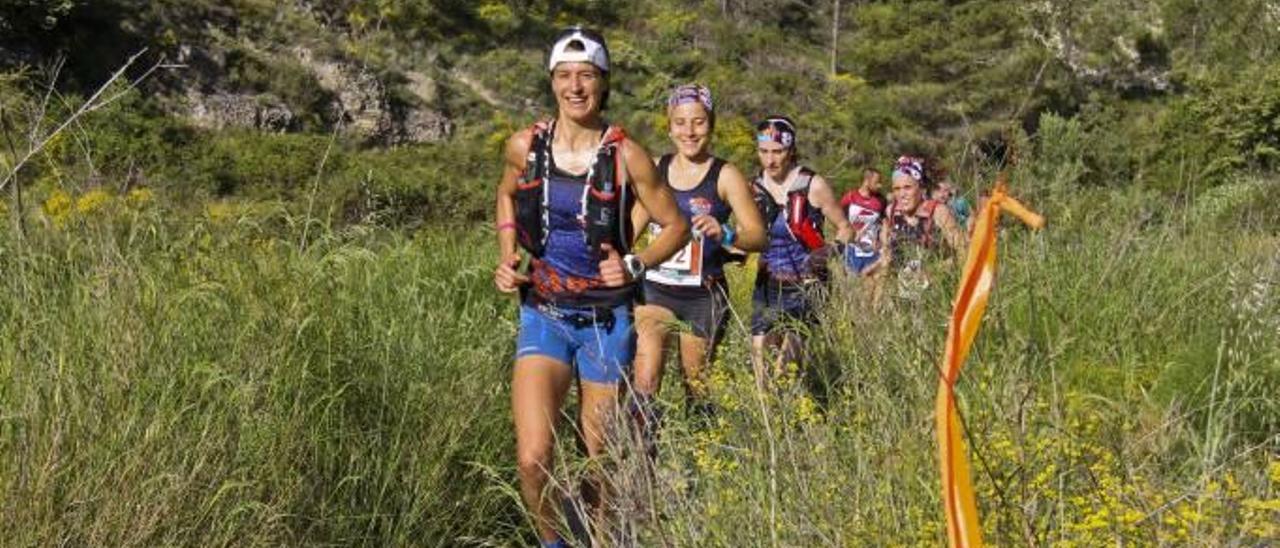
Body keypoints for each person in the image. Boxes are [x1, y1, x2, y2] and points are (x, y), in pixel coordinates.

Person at [492, 27, 689, 548]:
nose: (575, 86)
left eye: (586, 76)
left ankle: (605, 539)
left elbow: (675, 225)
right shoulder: (524, 145)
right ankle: (553, 542)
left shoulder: (628, 156)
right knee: (534, 458)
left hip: (606, 321)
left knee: (600, 457)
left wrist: (636, 264)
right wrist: (507, 255)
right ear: (551, 81)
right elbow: (507, 196)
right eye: (564, 76)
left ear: (603, 83)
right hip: (545, 313)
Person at [630, 84, 766, 444]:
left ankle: (698, 460)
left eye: (698, 122)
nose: (689, 132)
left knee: (696, 384)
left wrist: (726, 235)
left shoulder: (725, 175)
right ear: (669, 126)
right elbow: (632, 225)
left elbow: (757, 235)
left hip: (702, 295)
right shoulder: (656, 168)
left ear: (711, 124)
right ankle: (643, 465)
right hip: (655, 290)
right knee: (646, 374)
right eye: (680, 123)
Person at [749, 116, 852, 389]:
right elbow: (745, 235)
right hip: (768, 285)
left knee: (785, 369)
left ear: (791, 150)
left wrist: (831, 251)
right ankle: (768, 426)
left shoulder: (812, 184)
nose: (770, 160)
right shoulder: (754, 188)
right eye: (764, 152)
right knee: (761, 370)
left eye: (778, 152)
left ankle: (793, 422)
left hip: (805, 285)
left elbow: (845, 228)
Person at [873, 155, 967, 301]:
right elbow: (886, 260)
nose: (901, 194)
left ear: (921, 188)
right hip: (904, 296)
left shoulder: (938, 212)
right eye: (896, 189)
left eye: (907, 188)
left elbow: (964, 250)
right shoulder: (891, 212)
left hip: (940, 294)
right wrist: (876, 305)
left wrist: (936, 271)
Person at [839, 167, 887, 276]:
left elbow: (884, 224)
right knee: (852, 286)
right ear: (866, 181)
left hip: (872, 251)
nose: (880, 185)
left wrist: (883, 243)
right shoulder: (850, 198)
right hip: (851, 250)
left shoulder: (881, 201)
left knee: (870, 287)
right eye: (877, 182)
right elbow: (839, 222)